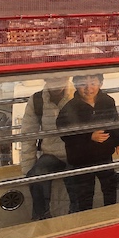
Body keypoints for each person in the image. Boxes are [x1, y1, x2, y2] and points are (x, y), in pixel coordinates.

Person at [57, 73, 119, 212]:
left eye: (93, 83)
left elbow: (115, 123)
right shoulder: (69, 108)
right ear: (76, 85)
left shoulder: (108, 101)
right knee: (85, 194)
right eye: (83, 84)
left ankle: (112, 214)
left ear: (100, 83)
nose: (89, 88)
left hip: (104, 155)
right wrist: (89, 136)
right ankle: (86, 220)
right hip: (80, 159)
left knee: (109, 188)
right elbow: (65, 133)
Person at [20, 75, 74, 220]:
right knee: (36, 175)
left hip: (76, 152)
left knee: (77, 180)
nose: (57, 85)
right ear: (45, 80)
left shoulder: (78, 95)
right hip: (51, 154)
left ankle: (76, 217)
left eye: (60, 80)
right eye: (53, 80)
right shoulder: (37, 100)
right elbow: (28, 135)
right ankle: (41, 218)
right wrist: (27, 169)